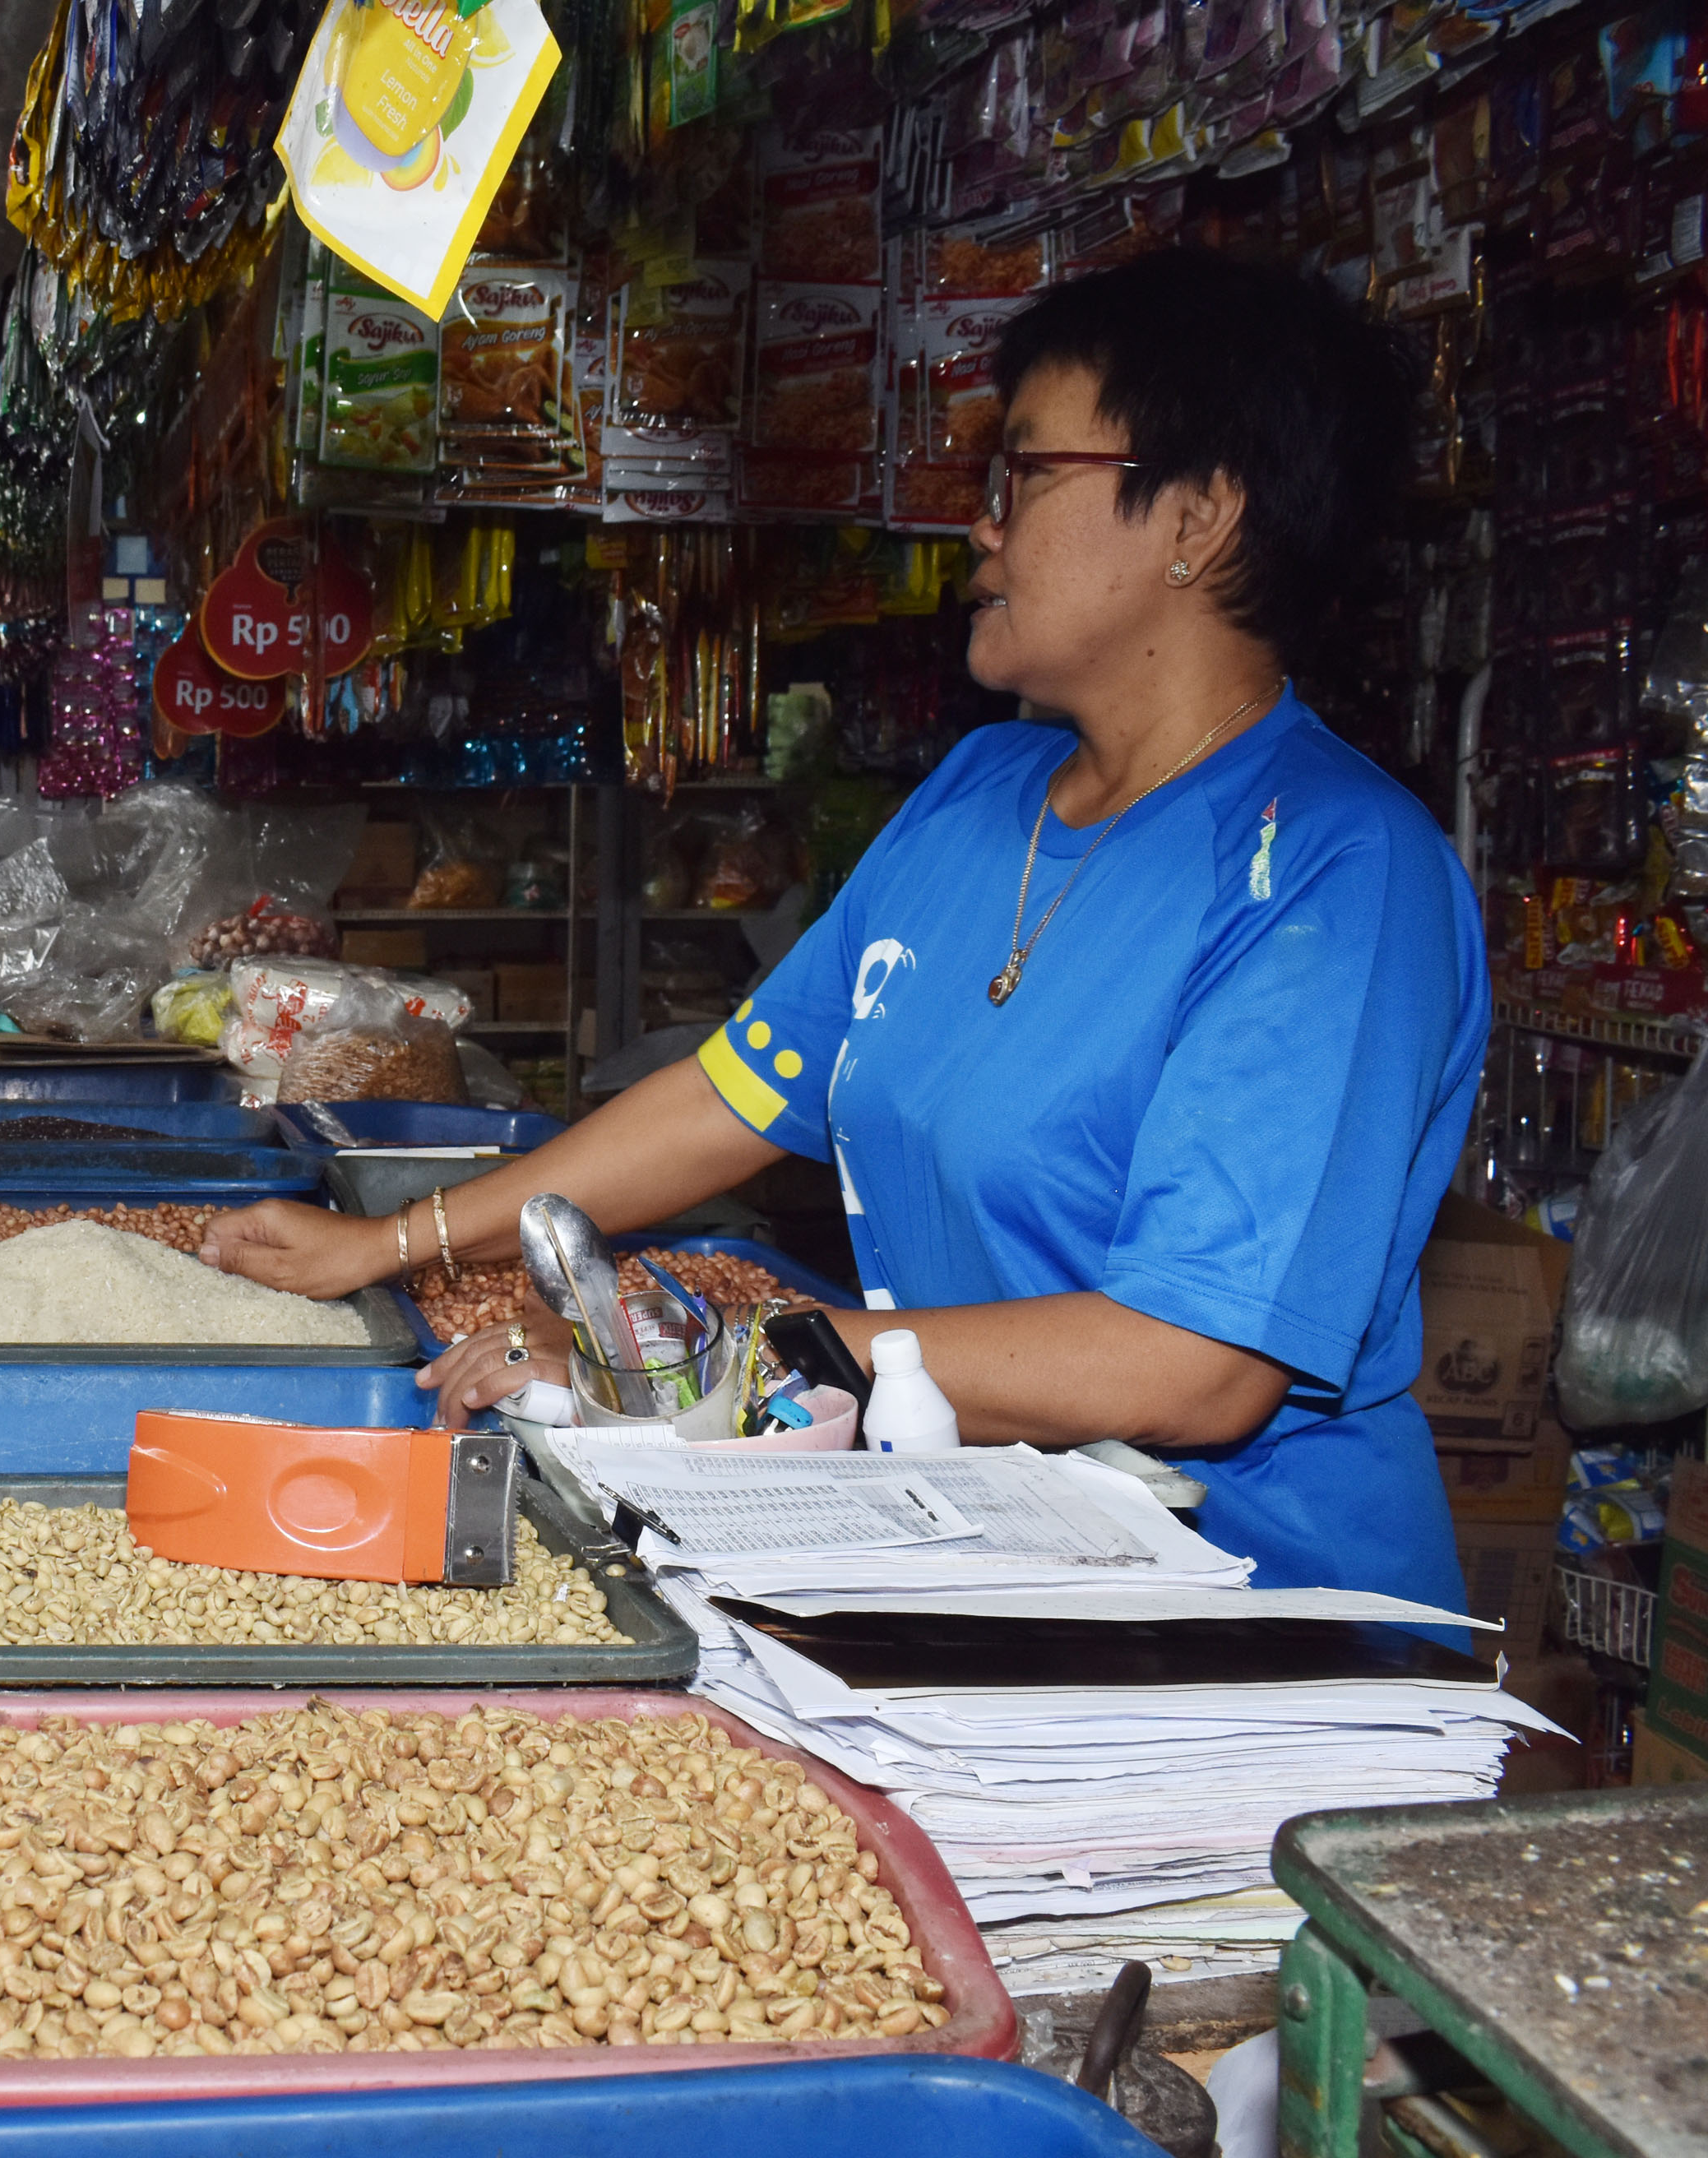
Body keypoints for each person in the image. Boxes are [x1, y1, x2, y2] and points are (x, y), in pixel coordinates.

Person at [206, 248, 1483, 1610]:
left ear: (1202, 515)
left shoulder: (1338, 874)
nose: (978, 530)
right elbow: (740, 1088)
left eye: (1021, 480)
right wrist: (396, 1244)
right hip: (991, 1560)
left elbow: (1192, 1363)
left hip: (1253, 1623)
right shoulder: (982, 798)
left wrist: (714, 1370)